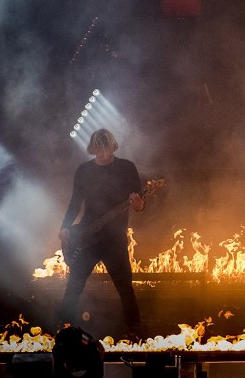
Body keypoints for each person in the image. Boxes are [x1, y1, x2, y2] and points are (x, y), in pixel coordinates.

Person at [58, 128, 146, 338]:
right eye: (99, 150)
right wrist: (65, 226)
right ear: (93, 149)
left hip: (115, 239)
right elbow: (75, 202)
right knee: (74, 285)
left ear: (112, 146)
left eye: (106, 148)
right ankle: (63, 327)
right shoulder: (84, 170)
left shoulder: (126, 168)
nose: (103, 154)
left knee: (125, 287)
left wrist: (139, 204)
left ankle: (135, 331)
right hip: (87, 237)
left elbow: (139, 204)